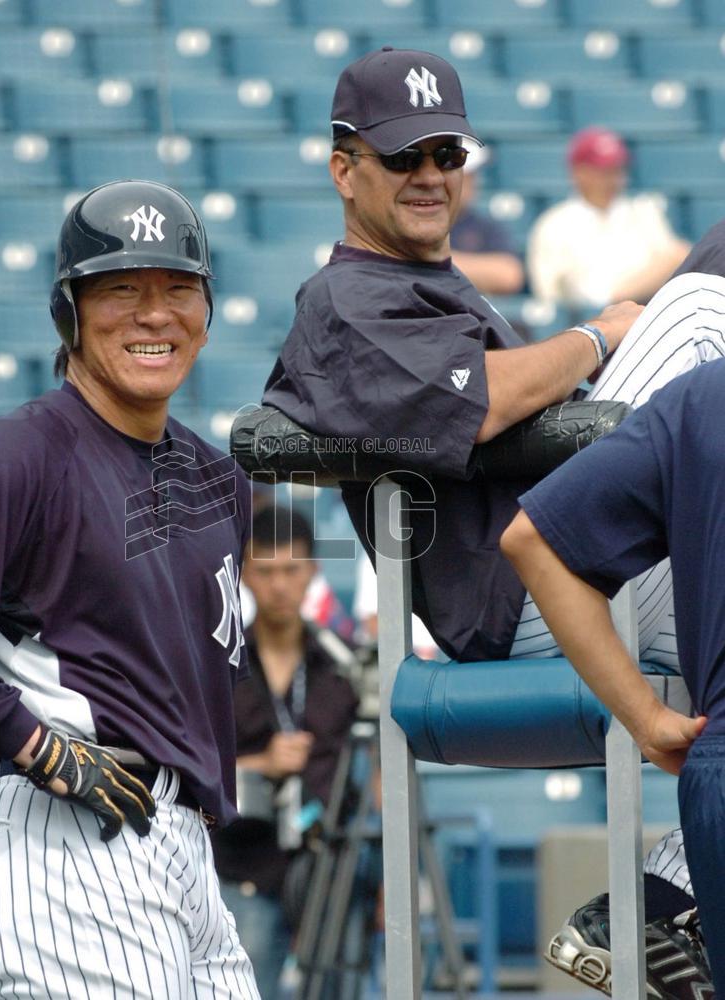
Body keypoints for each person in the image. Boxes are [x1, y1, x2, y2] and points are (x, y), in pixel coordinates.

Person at [260, 46, 725, 997]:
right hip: (531, 596)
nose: (430, 175)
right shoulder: (346, 298)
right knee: (691, 306)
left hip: (588, 568)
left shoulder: (436, 282)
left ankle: (658, 900)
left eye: (445, 152)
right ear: (343, 167)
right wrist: (600, 333)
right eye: (402, 156)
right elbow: (480, 401)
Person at [0, 179, 259, 999]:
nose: (154, 314)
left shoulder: (220, 482)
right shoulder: (17, 452)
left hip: (182, 851)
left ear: (208, 314)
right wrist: (28, 742)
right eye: (121, 290)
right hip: (68, 838)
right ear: (68, 314)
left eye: (179, 288)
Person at [499, 354, 725, 995]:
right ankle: (659, 900)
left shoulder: (702, 396)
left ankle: (659, 899)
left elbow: (530, 540)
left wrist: (646, 721)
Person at [212, 505, 359, 999]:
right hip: (244, 868)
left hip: (329, 870)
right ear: (244, 575)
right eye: (266, 571)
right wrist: (259, 764)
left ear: (313, 571)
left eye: (292, 570)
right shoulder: (216, 669)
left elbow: (374, 771)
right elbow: (188, 771)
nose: (279, 586)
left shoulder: (344, 665)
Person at [527, 126, 690, 309]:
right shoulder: (554, 224)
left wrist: (615, 297)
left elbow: (677, 258)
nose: (613, 179)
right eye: (603, 172)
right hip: (582, 325)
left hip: (643, 317)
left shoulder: (643, 212)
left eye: (617, 170)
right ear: (578, 172)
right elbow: (550, 292)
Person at [449, 144, 525, 296]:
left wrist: (439, 262)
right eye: (464, 174)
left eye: (472, 175)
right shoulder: (417, 221)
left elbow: (509, 276)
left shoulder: (485, 226)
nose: (471, 182)